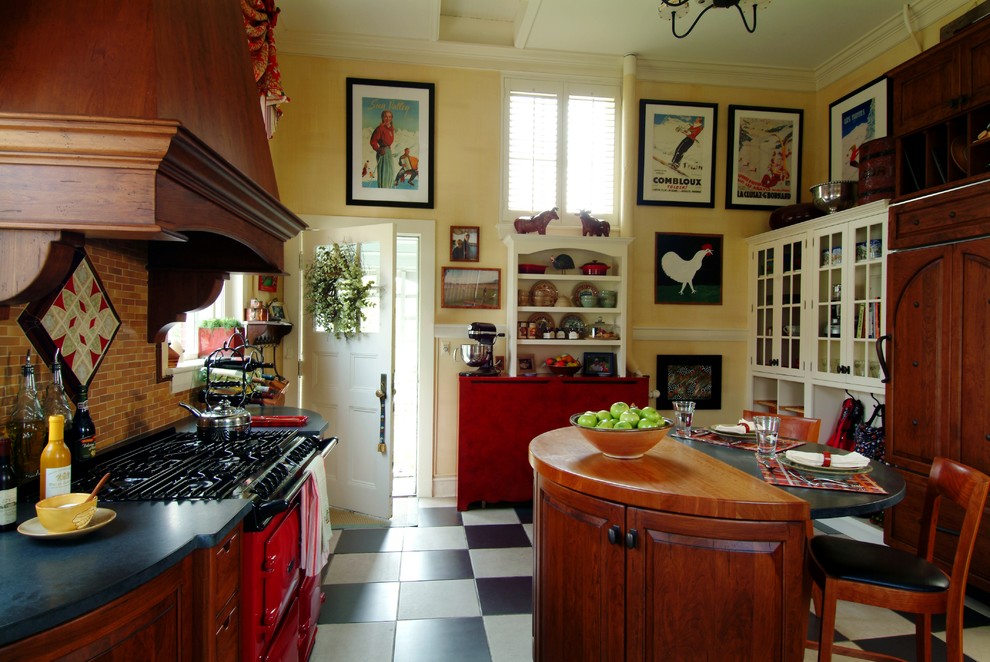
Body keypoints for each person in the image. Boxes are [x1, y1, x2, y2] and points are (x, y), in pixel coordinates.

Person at [369, 110, 395, 189]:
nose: (388, 118)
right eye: (386, 117)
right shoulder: (380, 128)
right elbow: (373, 141)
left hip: (388, 152)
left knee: (390, 173)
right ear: (382, 118)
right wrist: (378, 150)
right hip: (382, 152)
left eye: (389, 117)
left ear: (392, 118)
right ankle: (383, 191)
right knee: (384, 174)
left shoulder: (391, 129)